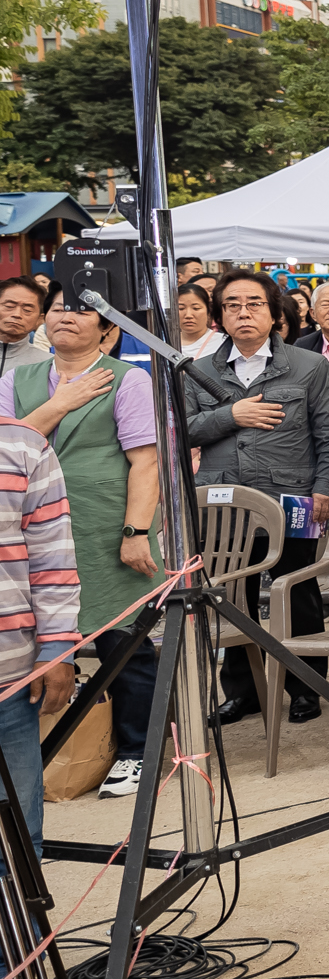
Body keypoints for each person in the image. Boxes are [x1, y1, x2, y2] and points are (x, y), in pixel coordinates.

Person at [12, 284, 164, 800]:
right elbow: (9, 444)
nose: (67, 317)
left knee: (123, 642)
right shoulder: (19, 378)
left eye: (83, 310)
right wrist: (61, 403)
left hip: (105, 525)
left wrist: (136, 531)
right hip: (33, 529)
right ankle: (49, 752)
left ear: (109, 329)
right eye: (58, 309)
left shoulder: (129, 379)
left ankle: (138, 752)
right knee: (42, 643)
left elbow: (146, 460)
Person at [184, 268, 329, 726]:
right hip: (225, 503)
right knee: (231, 593)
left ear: (275, 313)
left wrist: (326, 489)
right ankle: (244, 691)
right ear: (219, 316)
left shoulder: (308, 366)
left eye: (254, 303)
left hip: (293, 496)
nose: (243, 313)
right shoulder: (199, 371)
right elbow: (181, 430)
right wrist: (230, 415)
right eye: (232, 305)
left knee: (296, 589)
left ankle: (306, 687)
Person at [0, 410, 80, 854]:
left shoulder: (22, 445)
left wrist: (57, 649)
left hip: (10, 675)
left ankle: (26, 927)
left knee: (18, 844)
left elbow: (52, 560)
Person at [0, 276, 51, 373]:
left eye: (27, 310)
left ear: (39, 319)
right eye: (9, 306)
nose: (17, 314)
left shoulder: (48, 365)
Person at [175, 281, 222, 361]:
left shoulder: (223, 343)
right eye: (181, 308)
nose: (188, 315)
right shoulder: (166, 343)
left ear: (208, 311)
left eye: (196, 308)